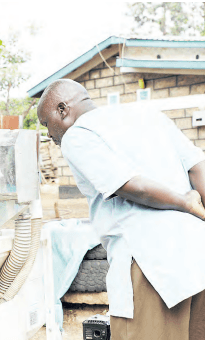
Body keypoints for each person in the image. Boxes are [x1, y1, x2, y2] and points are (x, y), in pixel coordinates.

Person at [37, 78, 205, 340]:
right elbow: (197, 167)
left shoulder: (77, 135)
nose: (49, 134)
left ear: (62, 109)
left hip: (150, 268)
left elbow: (130, 186)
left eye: (46, 124)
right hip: (197, 257)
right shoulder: (148, 115)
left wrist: (183, 202)